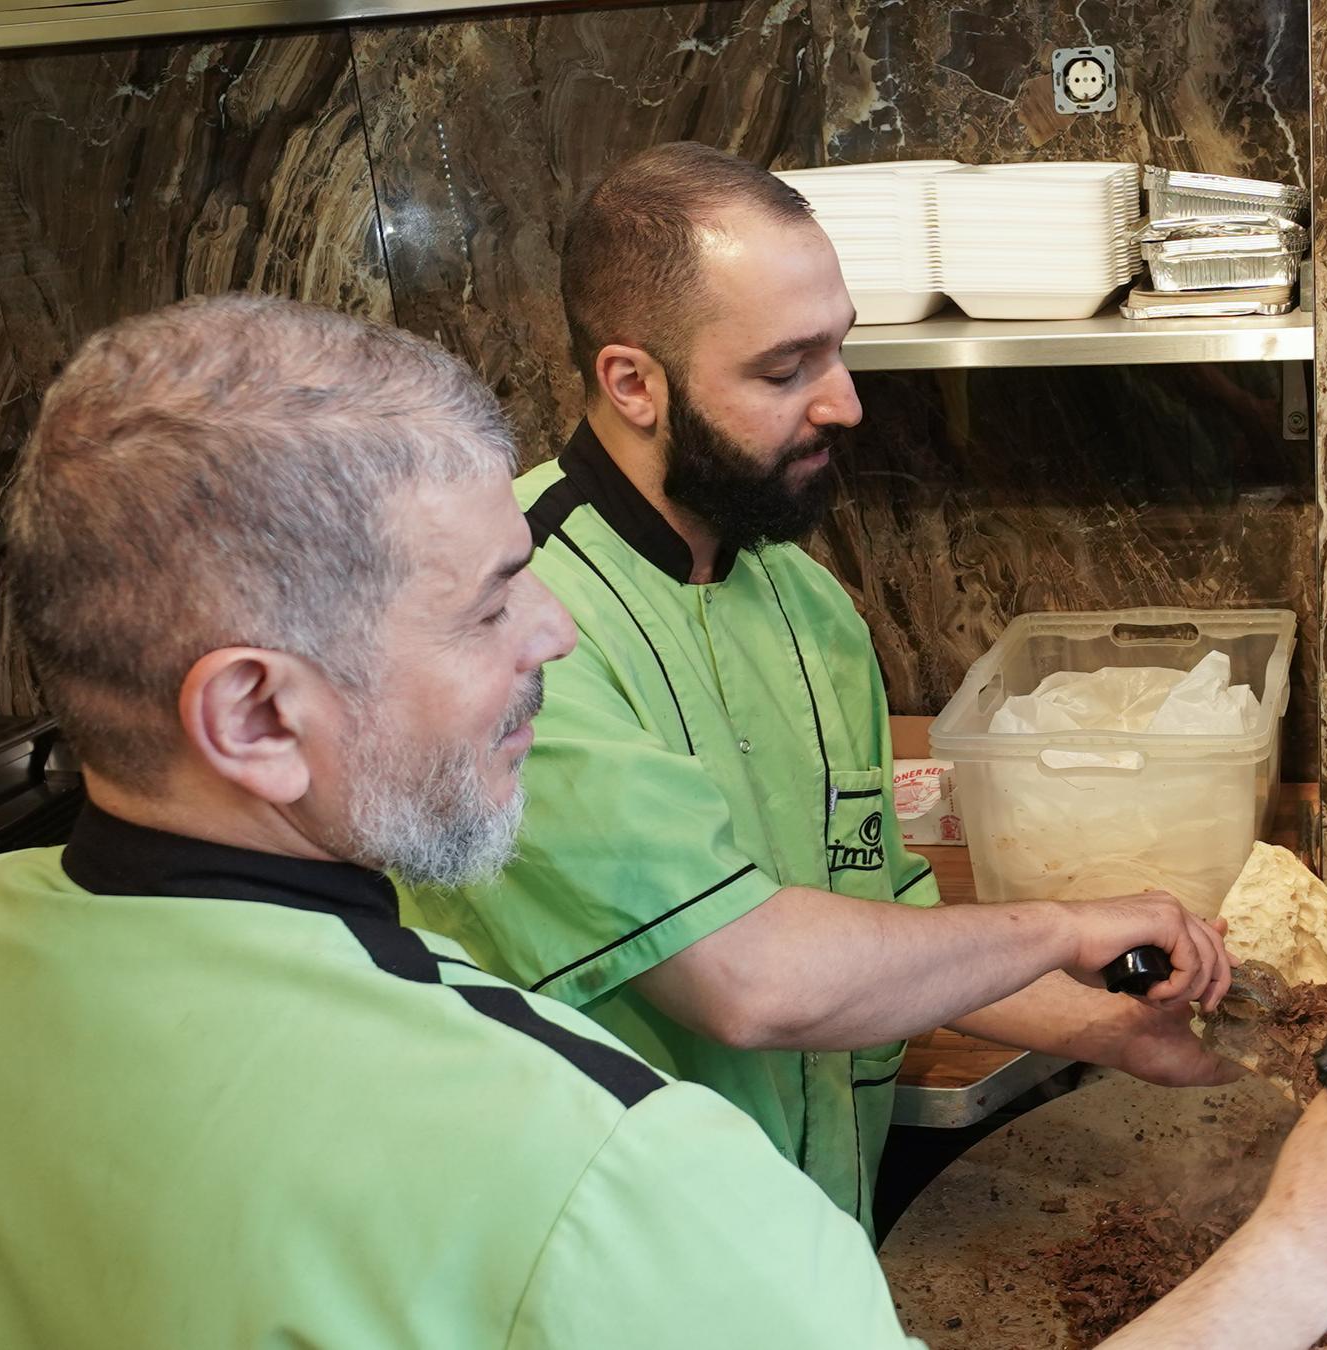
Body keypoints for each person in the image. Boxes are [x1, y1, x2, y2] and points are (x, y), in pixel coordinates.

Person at [0, 295, 1327, 1350]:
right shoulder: (599, 1172)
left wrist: (1075, 1013)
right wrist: (1307, 1248)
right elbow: (747, 983)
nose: (552, 639)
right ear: (257, 715)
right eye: (485, 612)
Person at [406, 142, 1246, 1233]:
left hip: (804, 1235)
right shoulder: (509, 622)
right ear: (632, 382)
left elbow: (879, 920)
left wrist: (1105, 1028)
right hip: (606, 1252)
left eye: (840, 351)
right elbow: (749, 980)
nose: (845, 404)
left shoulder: (809, 608)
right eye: (783, 370)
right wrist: (1061, 926)